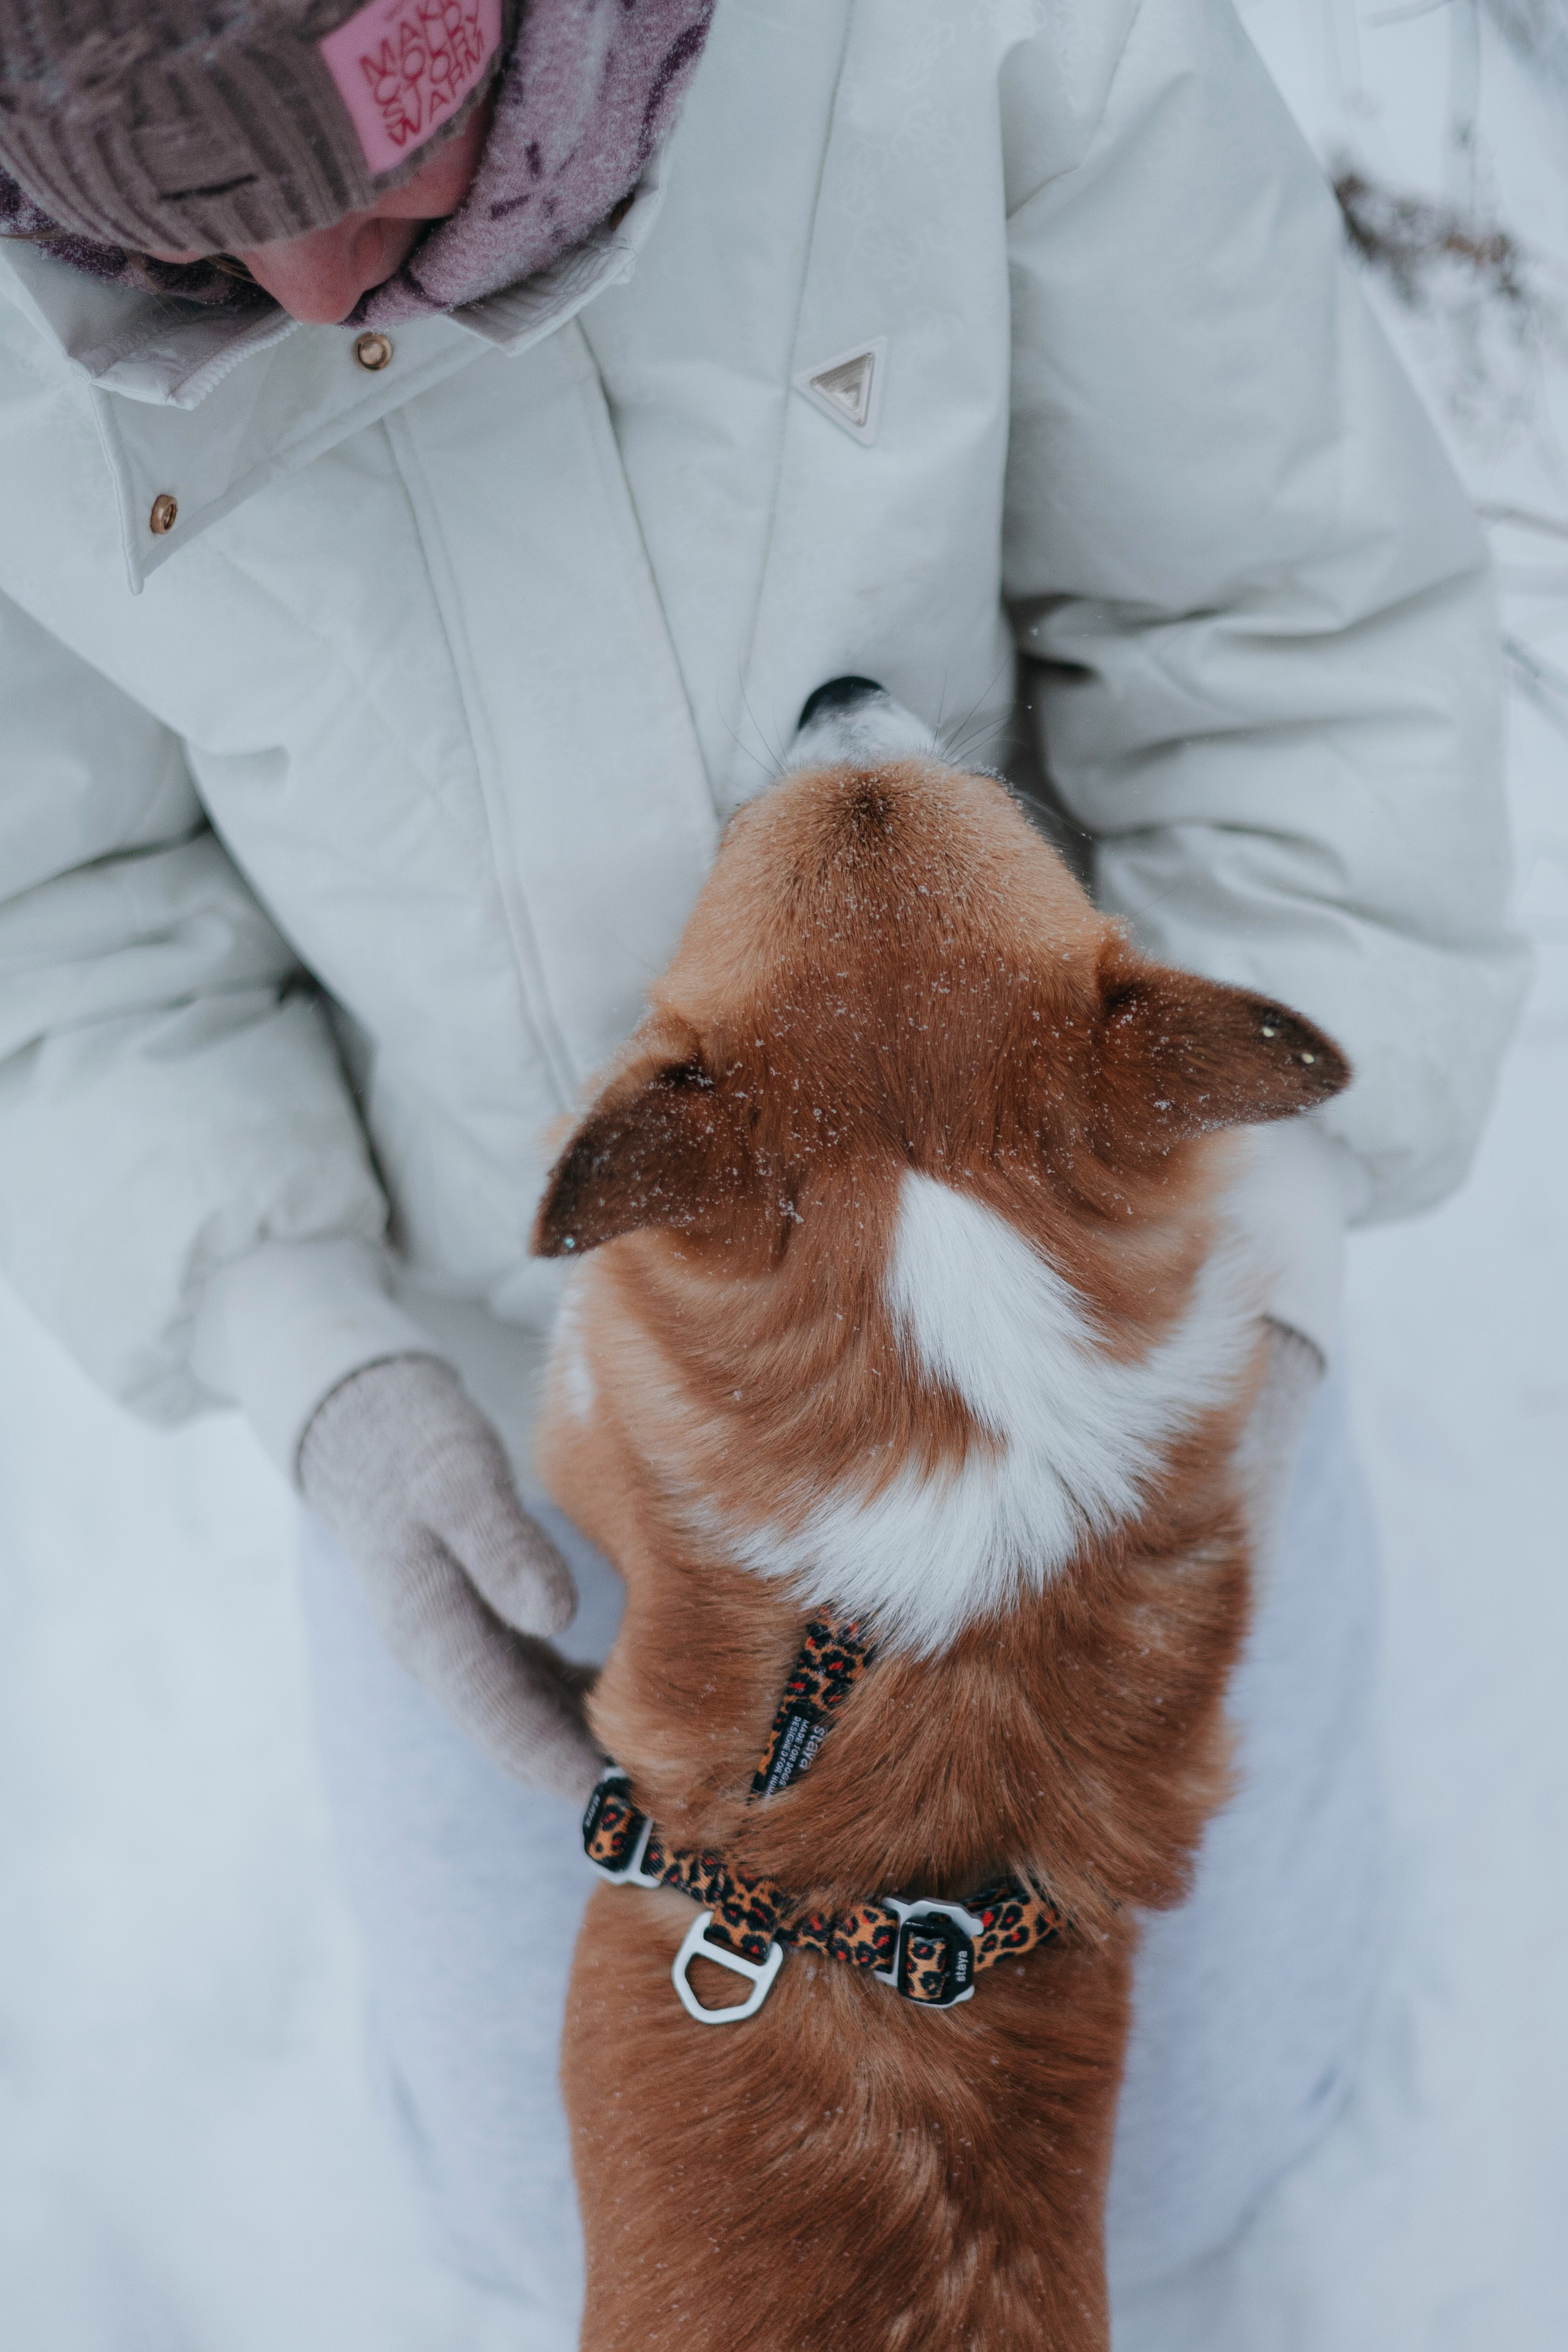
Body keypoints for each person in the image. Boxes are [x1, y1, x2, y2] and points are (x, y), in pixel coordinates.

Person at [0, 0, 1527, 2335]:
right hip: (496, 1315)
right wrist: (313, 1352)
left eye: (378, 148)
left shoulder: (993, 39)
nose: (311, 292)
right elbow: (58, 913)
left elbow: (1288, 634)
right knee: (548, 2204)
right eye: (177, 242)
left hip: (1078, 1267)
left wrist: (1257, 1289)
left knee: (1212, 2143)